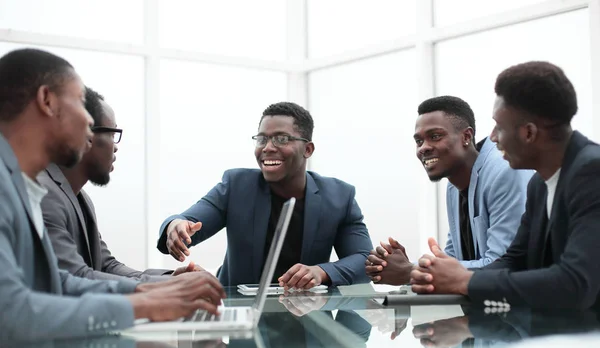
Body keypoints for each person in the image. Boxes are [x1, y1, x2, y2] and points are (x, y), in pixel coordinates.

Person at [0, 48, 225, 343]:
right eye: (81, 102)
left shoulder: (20, 185)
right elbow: (12, 310)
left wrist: (157, 290)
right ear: (47, 101)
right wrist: (145, 302)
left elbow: (58, 282)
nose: (87, 123)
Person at [411, 61, 600, 311]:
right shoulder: (539, 185)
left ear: (529, 133)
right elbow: (514, 260)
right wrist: (449, 275)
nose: (492, 137)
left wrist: (467, 281)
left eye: (499, 126)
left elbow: (574, 283)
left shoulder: (592, 173)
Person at [157, 102, 372, 289]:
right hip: (242, 319)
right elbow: (189, 221)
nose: (268, 148)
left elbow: (365, 260)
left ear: (307, 149)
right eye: (261, 139)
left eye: (281, 139)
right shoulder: (236, 185)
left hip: (307, 319)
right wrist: (176, 225)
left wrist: (321, 272)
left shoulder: (339, 196)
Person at [38, 87, 198, 283]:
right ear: (85, 133)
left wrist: (171, 280)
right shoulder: (45, 194)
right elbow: (76, 276)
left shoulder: (80, 198)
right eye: (112, 134)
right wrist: (161, 287)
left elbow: (106, 265)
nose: (115, 146)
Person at [365, 96, 531, 285]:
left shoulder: (504, 171)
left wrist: (410, 271)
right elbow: (451, 262)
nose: (424, 148)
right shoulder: (454, 185)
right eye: (419, 141)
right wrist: (402, 267)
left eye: (435, 136)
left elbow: (502, 265)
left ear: (466, 137)